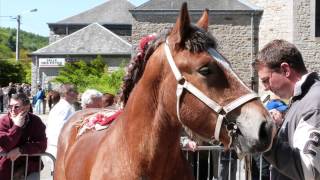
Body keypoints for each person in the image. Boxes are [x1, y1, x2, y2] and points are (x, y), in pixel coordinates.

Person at [254, 39, 320, 180]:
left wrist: (265, 138)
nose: (266, 87)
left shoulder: (314, 102)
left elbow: (309, 171)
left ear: (285, 70)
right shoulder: (301, 99)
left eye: (266, 80)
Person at [0, 93, 47, 180]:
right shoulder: (3, 121)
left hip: (29, 167)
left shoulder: (36, 121)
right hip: (5, 169)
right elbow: (6, 144)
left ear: (27, 107)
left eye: (16, 107)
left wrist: (21, 150)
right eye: (10, 106)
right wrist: (17, 126)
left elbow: (42, 145)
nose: (12, 110)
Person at [252, 98, 288, 180]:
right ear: (270, 114)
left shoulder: (282, 126)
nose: (284, 114)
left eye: (284, 112)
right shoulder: (263, 129)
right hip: (263, 171)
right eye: (281, 112)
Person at [46, 84, 78, 158]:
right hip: (60, 149)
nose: (77, 93)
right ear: (67, 93)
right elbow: (59, 130)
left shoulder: (62, 106)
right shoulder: (65, 108)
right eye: (75, 91)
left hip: (57, 148)